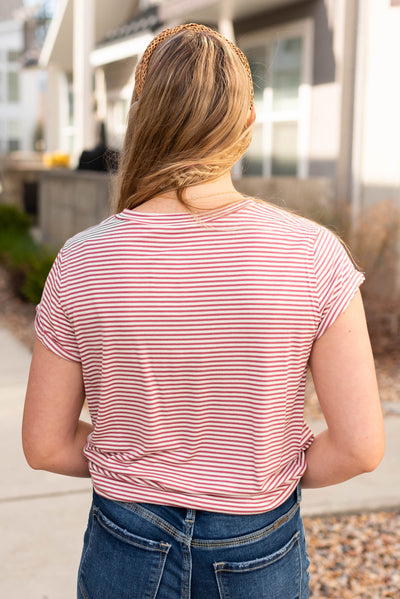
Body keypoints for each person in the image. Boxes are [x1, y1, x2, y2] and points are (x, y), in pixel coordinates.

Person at [22, 23, 385, 599]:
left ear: (140, 119)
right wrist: (265, 480)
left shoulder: (83, 260)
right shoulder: (313, 254)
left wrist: (137, 465)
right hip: (259, 541)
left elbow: (46, 445)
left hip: (126, 539)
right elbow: (361, 447)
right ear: (246, 123)